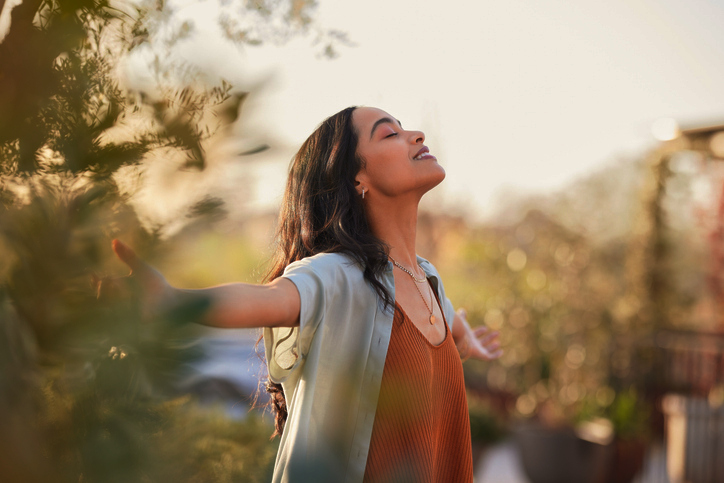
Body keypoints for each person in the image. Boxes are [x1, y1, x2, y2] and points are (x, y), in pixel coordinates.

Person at [112, 106, 502, 483]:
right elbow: (268, 300)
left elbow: (442, 321)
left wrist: (461, 336)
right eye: (389, 133)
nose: (415, 135)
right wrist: (173, 301)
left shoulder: (428, 278)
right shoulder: (339, 275)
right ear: (356, 179)